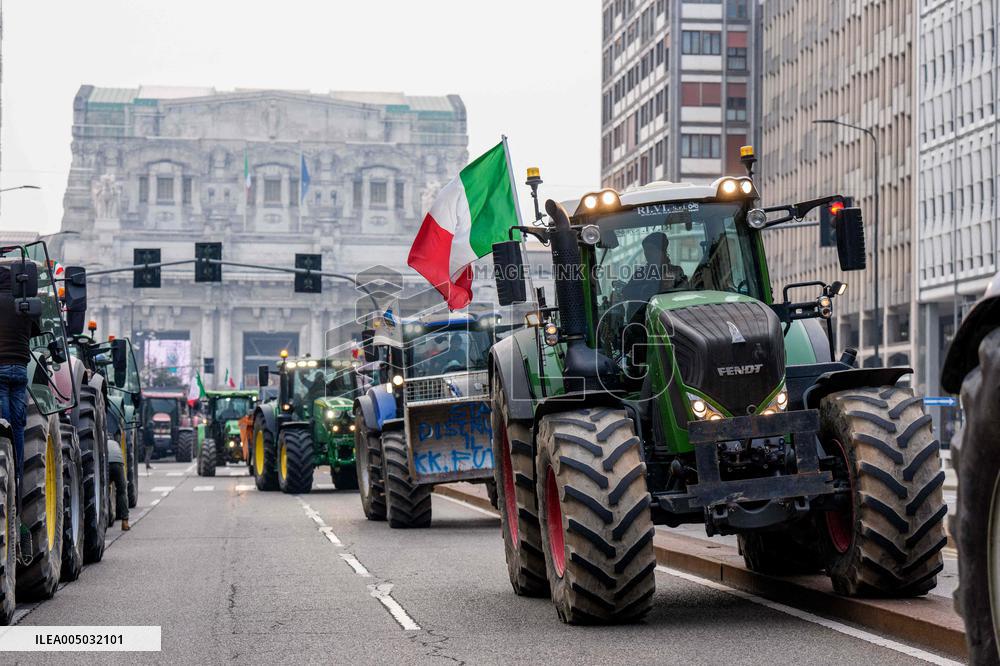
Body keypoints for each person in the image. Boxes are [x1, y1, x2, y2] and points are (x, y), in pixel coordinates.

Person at [621, 231, 688, 303]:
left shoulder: (676, 271)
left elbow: (685, 294)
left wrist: (670, 287)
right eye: (645, 250)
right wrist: (652, 288)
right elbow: (626, 292)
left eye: (650, 249)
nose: (647, 253)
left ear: (662, 250)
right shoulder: (640, 273)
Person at [106, 436, 130, 531]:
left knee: (105, 492)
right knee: (122, 492)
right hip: (118, 464)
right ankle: (125, 522)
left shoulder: (101, 442)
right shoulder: (115, 443)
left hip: (107, 464)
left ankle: (109, 517)